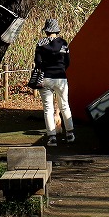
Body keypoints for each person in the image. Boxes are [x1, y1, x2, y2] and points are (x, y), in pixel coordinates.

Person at [35, 18, 74, 146]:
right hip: (61, 77)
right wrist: (61, 69)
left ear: (46, 31)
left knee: (48, 108)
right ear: (57, 31)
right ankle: (70, 134)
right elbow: (68, 61)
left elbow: (38, 61)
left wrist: (44, 68)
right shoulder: (63, 43)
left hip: (46, 78)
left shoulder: (41, 43)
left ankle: (52, 137)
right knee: (65, 105)